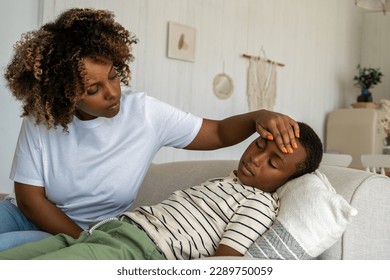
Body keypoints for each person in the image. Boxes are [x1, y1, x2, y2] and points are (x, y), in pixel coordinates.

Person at [0, 8, 301, 251]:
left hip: (79, 233)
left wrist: (258, 117)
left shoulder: (145, 114)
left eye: (113, 75)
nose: (113, 92)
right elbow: (30, 200)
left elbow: (219, 133)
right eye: (94, 89)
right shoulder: (43, 119)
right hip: (23, 215)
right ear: (64, 94)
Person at [0, 122, 323, 260]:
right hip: (103, 233)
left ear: (287, 179)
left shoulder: (258, 204)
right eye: (258, 145)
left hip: (137, 251)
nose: (255, 158)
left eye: (274, 162)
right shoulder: (223, 183)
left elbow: (226, 262)